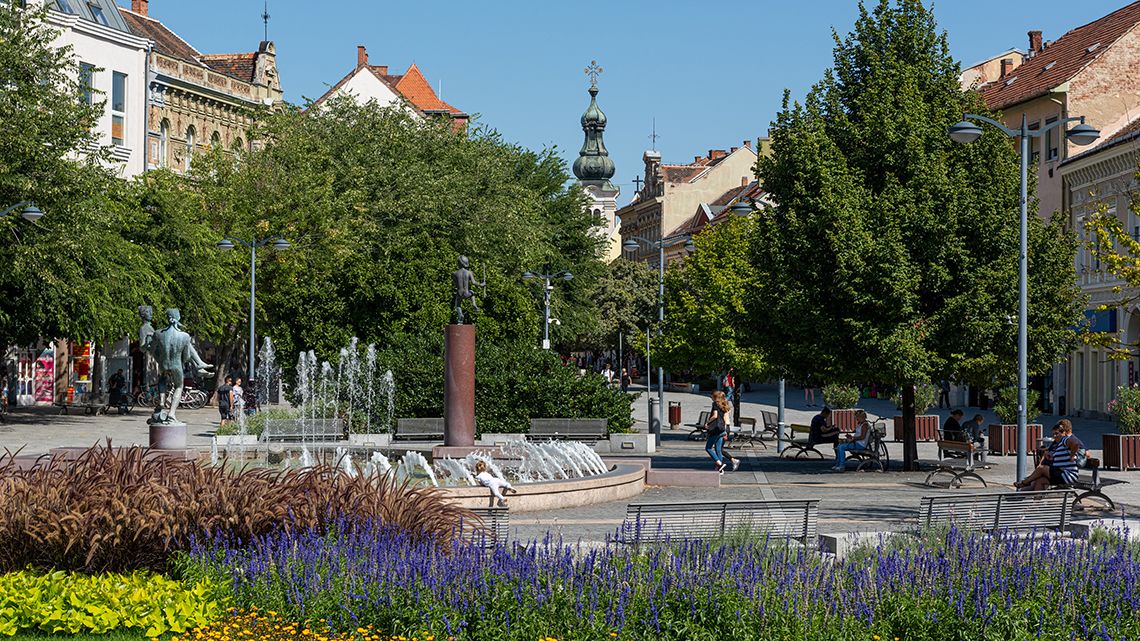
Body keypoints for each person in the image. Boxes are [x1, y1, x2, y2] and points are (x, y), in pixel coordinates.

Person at [1015, 420, 1081, 491]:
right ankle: (1037, 501)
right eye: (1053, 434)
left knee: (1041, 469)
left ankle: (1025, 482)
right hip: (1060, 473)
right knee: (1040, 481)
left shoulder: (1065, 440)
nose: (1054, 436)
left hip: (1067, 475)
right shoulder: (1059, 444)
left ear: (1063, 433)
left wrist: (1072, 455)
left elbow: (1076, 444)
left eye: (1056, 433)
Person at [703, 390, 738, 473]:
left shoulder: (715, 404)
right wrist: (727, 430)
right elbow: (726, 418)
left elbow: (715, 416)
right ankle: (720, 470)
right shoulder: (724, 405)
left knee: (708, 448)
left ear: (715, 397)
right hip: (722, 429)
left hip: (716, 429)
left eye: (712, 395)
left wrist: (707, 422)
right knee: (718, 449)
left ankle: (719, 464)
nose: (711, 397)